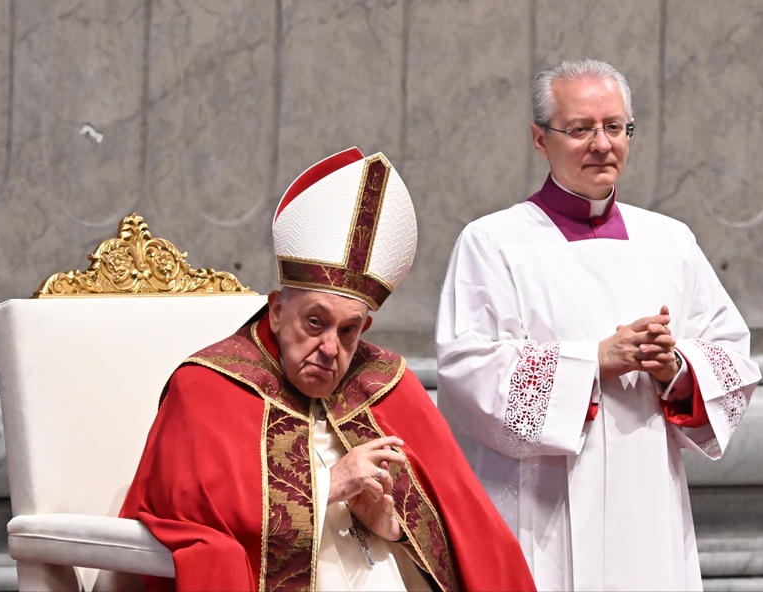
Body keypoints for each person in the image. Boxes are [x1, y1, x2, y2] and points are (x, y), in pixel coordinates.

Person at [121, 147, 536, 591]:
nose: (329, 348)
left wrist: (390, 527)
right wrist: (327, 488)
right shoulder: (208, 385)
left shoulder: (385, 383)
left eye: (348, 331)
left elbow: (469, 539)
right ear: (277, 311)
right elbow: (191, 523)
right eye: (314, 323)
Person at [435, 59, 762, 590]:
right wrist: (591, 363)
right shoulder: (493, 242)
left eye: (614, 127)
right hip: (545, 508)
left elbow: (731, 355)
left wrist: (675, 368)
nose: (601, 144)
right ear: (540, 139)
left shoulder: (672, 242)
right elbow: (468, 370)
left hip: (648, 502)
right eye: (580, 129)